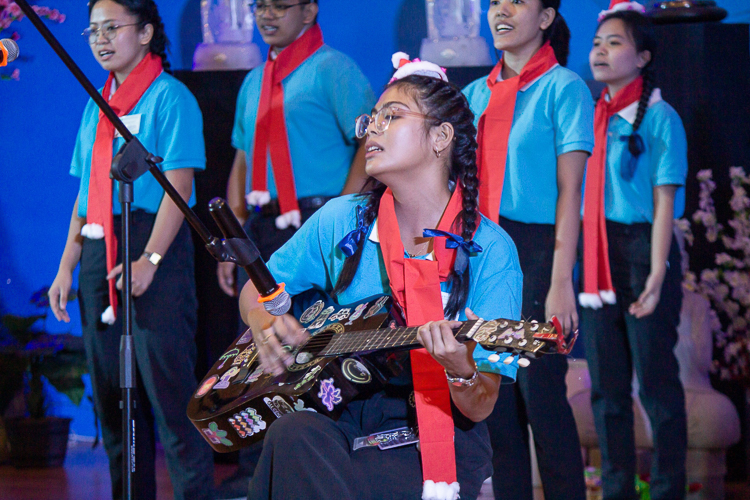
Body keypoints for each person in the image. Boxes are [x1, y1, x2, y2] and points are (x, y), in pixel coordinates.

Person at [237, 56, 523, 500]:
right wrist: (263, 322)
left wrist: (461, 369)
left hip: (434, 426)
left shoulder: (491, 249)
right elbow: (259, 292)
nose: (373, 129)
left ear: (441, 137)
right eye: (372, 119)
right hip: (341, 405)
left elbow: (482, 402)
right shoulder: (341, 219)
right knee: (292, 434)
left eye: (392, 117)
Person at [47, 1, 213, 498]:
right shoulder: (96, 104)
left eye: (111, 28)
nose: (100, 40)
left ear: (144, 33)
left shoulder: (170, 97)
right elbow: (84, 197)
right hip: (100, 250)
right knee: (115, 404)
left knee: (169, 398)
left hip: (149, 244)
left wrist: (151, 261)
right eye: (93, 30)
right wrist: (65, 269)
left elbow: (179, 186)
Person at [214, 3, 374, 496]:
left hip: (319, 218)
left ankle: (314, 461)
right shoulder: (255, 79)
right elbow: (244, 153)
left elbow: (368, 145)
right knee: (260, 343)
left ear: (309, 10)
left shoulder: (335, 68)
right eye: (260, 5)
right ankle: (257, 474)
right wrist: (235, 233)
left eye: (281, 5)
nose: (267, 14)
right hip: (264, 224)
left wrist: (349, 215)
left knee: (309, 348)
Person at [462, 1, 593, 498]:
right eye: (494, 2)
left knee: (542, 398)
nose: (500, 10)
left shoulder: (564, 88)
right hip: (482, 253)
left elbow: (570, 195)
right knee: (494, 401)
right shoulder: (475, 94)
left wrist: (561, 281)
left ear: (545, 18)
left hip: (538, 252)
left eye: (516, 1)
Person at [580, 2, 688, 498]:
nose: (600, 51)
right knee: (607, 390)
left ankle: (667, 489)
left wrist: (657, 274)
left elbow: (665, 202)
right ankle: (617, 489)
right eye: (598, 42)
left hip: (648, 249)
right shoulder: (591, 115)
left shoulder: (662, 117)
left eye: (615, 42)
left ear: (643, 57)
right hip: (599, 252)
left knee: (658, 387)